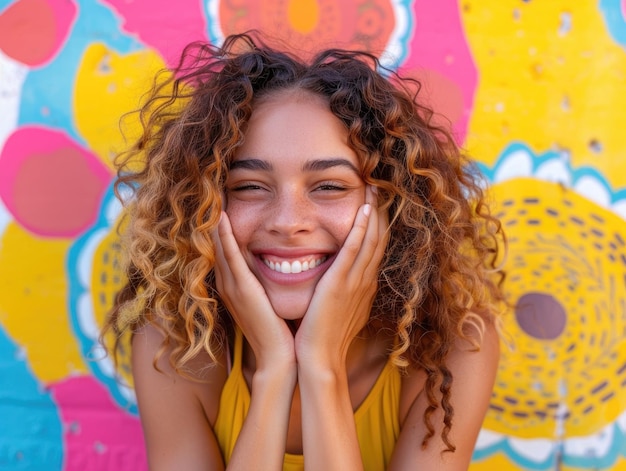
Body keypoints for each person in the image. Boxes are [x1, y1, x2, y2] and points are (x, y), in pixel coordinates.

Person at [102, 32, 506, 470]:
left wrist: (321, 367)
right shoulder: (176, 347)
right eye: (249, 187)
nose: (288, 220)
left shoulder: (451, 350)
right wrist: (276, 372)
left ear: (394, 205)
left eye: (330, 186)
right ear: (203, 203)